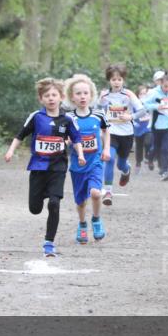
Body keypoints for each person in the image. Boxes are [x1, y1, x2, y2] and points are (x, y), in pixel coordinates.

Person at [4, 78, 81, 258]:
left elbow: (76, 139)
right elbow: (20, 135)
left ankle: (49, 243)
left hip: (58, 167)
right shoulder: (36, 117)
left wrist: (82, 155)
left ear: (61, 97)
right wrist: (10, 151)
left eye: (54, 95)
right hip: (38, 167)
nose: (51, 98)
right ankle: (40, 199)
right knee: (35, 209)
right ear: (41, 99)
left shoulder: (67, 119)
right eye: (47, 96)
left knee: (54, 204)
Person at [65, 74, 111, 243]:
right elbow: (64, 137)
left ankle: (96, 220)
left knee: (96, 193)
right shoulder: (69, 118)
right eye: (78, 93)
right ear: (72, 97)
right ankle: (82, 224)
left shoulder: (98, 114)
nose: (82, 96)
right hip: (77, 165)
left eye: (85, 93)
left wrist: (106, 149)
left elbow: (106, 131)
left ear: (91, 95)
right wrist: (68, 141)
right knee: (81, 202)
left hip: (95, 162)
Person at [98, 63, 144, 206]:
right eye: (113, 79)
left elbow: (142, 111)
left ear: (123, 80)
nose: (116, 82)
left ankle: (126, 170)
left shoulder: (129, 94)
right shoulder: (104, 95)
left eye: (119, 79)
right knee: (109, 158)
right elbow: (97, 110)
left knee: (121, 164)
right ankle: (108, 192)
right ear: (109, 81)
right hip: (110, 132)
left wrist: (130, 117)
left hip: (127, 134)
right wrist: (100, 103)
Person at [143, 73, 168, 181]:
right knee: (156, 147)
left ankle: (165, 171)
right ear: (161, 84)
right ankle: (149, 158)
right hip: (156, 125)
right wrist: (156, 106)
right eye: (165, 86)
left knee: (165, 149)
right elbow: (144, 104)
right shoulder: (154, 93)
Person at [133, 84, 153, 175]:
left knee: (148, 143)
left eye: (145, 94)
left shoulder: (150, 104)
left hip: (148, 128)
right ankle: (138, 163)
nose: (143, 96)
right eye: (141, 94)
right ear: (138, 95)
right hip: (138, 129)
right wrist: (134, 123)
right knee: (139, 147)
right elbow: (131, 115)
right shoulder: (135, 105)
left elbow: (154, 114)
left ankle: (147, 157)